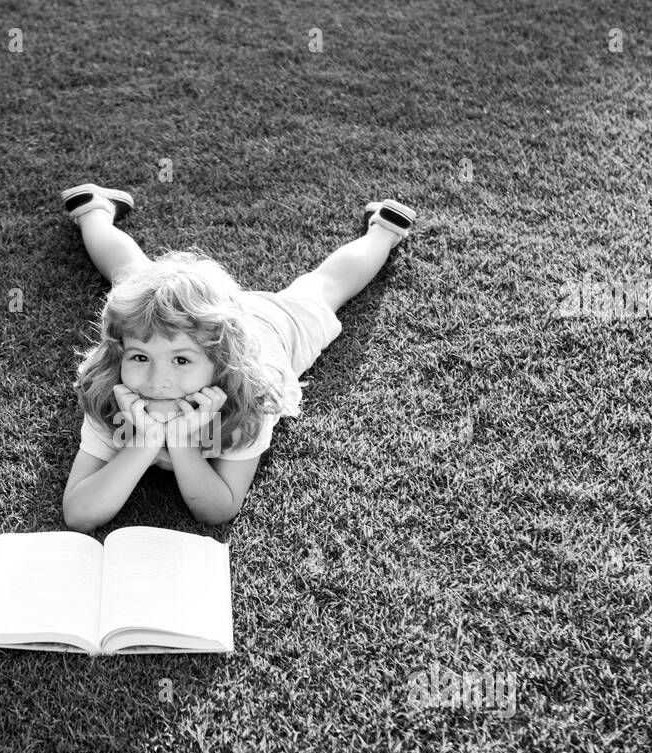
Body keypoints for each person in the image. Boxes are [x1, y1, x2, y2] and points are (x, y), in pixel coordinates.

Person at [61, 182, 415, 532]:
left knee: (324, 288)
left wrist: (182, 443)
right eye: (139, 357)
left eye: (181, 361)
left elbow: (218, 509)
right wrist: (146, 441)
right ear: (120, 352)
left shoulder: (249, 399)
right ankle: (93, 210)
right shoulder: (112, 390)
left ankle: (382, 231)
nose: (158, 381)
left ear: (220, 364)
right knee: (128, 273)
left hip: (269, 325)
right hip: (174, 321)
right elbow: (78, 514)